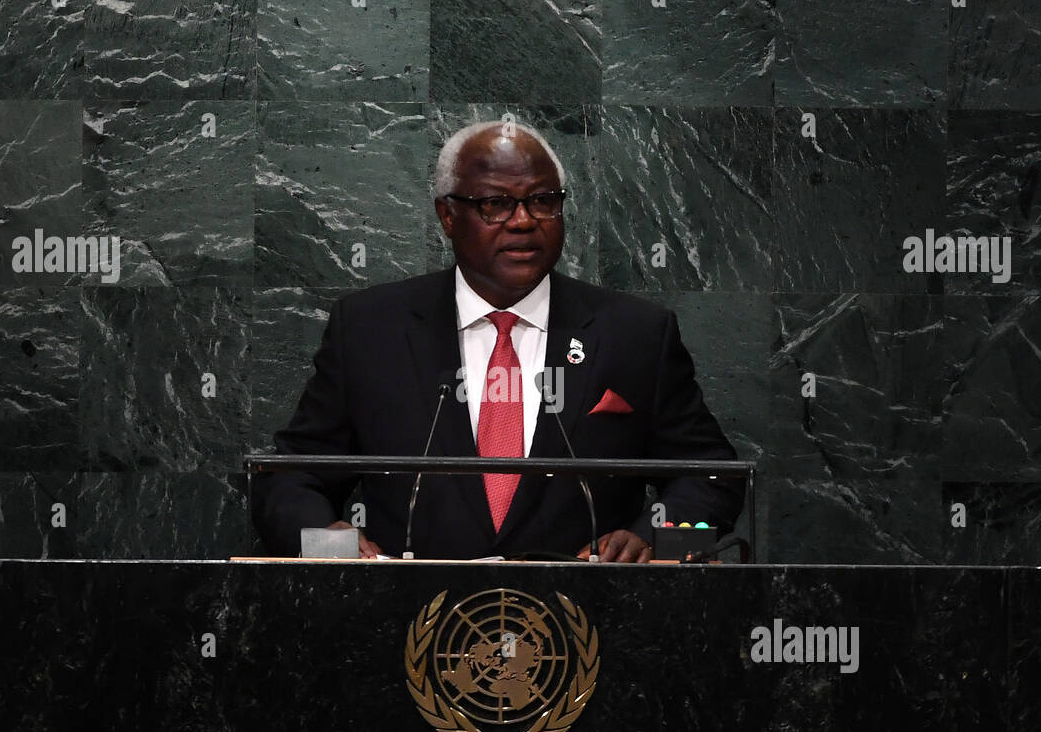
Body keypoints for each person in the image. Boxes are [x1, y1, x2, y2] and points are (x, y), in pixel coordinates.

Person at [251, 121, 743, 562]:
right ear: (447, 216)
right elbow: (291, 476)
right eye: (495, 203)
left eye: (543, 201)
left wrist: (657, 540)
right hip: (407, 625)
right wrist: (327, 544)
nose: (524, 220)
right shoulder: (369, 329)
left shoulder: (634, 333)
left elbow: (712, 476)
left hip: (586, 626)